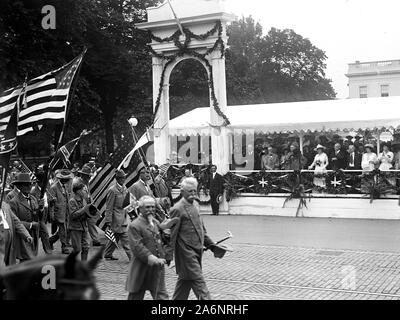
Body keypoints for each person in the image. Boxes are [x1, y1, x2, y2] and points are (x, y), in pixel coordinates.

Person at [169, 177, 220, 300]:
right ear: (182, 192)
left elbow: (201, 230)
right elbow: (172, 235)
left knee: (184, 284)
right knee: (200, 285)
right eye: (190, 191)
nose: (193, 194)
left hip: (197, 251)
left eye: (194, 191)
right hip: (186, 254)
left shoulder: (195, 205)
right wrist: (169, 257)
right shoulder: (177, 209)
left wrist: (213, 246)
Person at [125, 196, 170, 300]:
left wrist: (167, 235)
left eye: (153, 207)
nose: (151, 210)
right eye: (148, 207)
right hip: (141, 267)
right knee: (136, 295)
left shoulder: (156, 222)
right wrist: (151, 257)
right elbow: (137, 247)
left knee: (161, 296)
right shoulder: (134, 225)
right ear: (140, 208)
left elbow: (161, 241)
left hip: (157, 268)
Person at [8, 173, 44, 262]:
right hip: (22, 237)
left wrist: (41, 209)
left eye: (29, 184)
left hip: (34, 235)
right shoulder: (14, 202)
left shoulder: (34, 199)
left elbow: (38, 217)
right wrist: (30, 225)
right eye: (25, 185)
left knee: (32, 260)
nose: (28, 187)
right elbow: (13, 222)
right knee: (25, 260)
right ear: (19, 187)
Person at [103, 169, 132, 261]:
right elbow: (109, 207)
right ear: (118, 179)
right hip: (116, 219)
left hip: (123, 217)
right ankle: (133, 258)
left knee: (115, 236)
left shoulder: (125, 188)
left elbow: (127, 203)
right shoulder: (112, 190)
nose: (124, 179)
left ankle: (107, 254)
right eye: (122, 178)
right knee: (126, 239)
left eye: (124, 177)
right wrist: (108, 221)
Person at [74, 165, 101, 247]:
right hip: (78, 206)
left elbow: (88, 194)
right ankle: (59, 239)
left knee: (91, 222)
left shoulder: (87, 183)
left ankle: (95, 240)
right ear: (83, 175)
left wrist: (92, 204)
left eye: (89, 176)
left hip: (87, 206)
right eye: (87, 176)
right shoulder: (77, 183)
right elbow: (74, 195)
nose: (88, 177)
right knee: (73, 226)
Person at [68, 180, 94, 261]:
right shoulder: (72, 201)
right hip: (75, 228)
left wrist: (92, 212)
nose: (85, 192)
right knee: (77, 249)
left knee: (86, 247)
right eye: (84, 190)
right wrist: (84, 209)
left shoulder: (84, 200)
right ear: (78, 191)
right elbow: (73, 215)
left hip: (84, 227)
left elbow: (86, 213)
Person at [48, 169, 73, 254]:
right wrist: (52, 214)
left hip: (66, 211)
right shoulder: (54, 187)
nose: (67, 180)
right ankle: (64, 246)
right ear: (61, 179)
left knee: (64, 229)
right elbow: (50, 201)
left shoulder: (65, 186)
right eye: (65, 178)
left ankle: (50, 240)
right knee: (62, 229)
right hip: (58, 212)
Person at [0, 202, 33, 267]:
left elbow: (16, 221)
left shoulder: (5, 205)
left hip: (10, 241)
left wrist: (26, 235)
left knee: (8, 263)